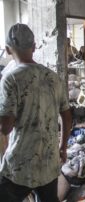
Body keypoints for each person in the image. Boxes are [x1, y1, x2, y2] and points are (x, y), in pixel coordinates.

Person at [0, 24, 72, 201]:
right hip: (48, 161)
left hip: (20, 165)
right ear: (33, 47)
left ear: (8, 50)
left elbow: (5, 127)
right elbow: (67, 116)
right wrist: (62, 147)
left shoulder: (10, 79)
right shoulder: (53, 77)